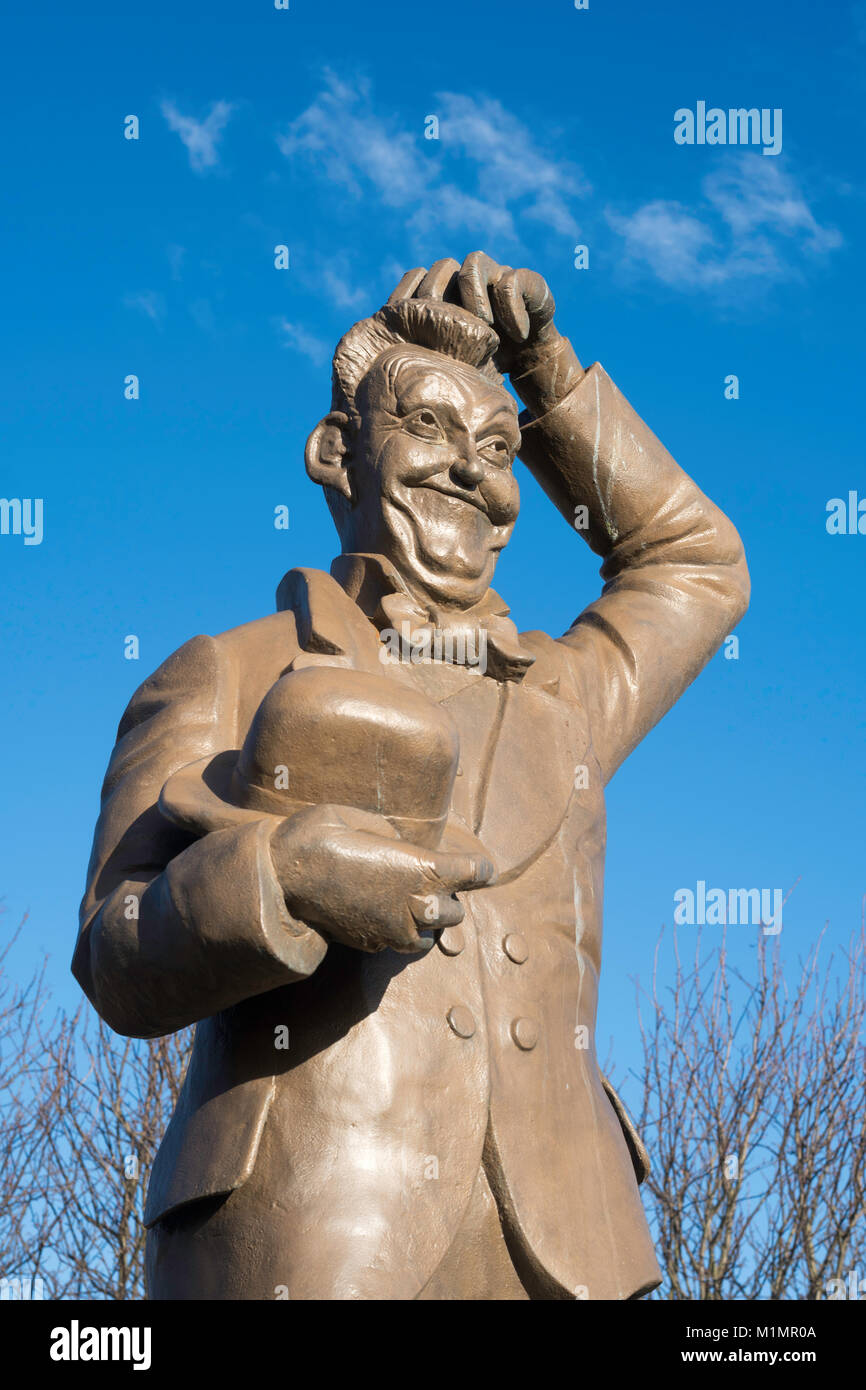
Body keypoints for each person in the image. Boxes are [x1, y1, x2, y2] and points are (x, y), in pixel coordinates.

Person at [74, 252, 749, 1299]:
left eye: (497, 449)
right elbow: (116, 950)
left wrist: (551, 381)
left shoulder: (564, 698)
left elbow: (693, 565)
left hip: (568, 1252)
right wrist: (278, 880)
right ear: (334, 451)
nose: (470, 474)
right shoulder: (230, 670)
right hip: (308, 1234)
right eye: (428, 428)